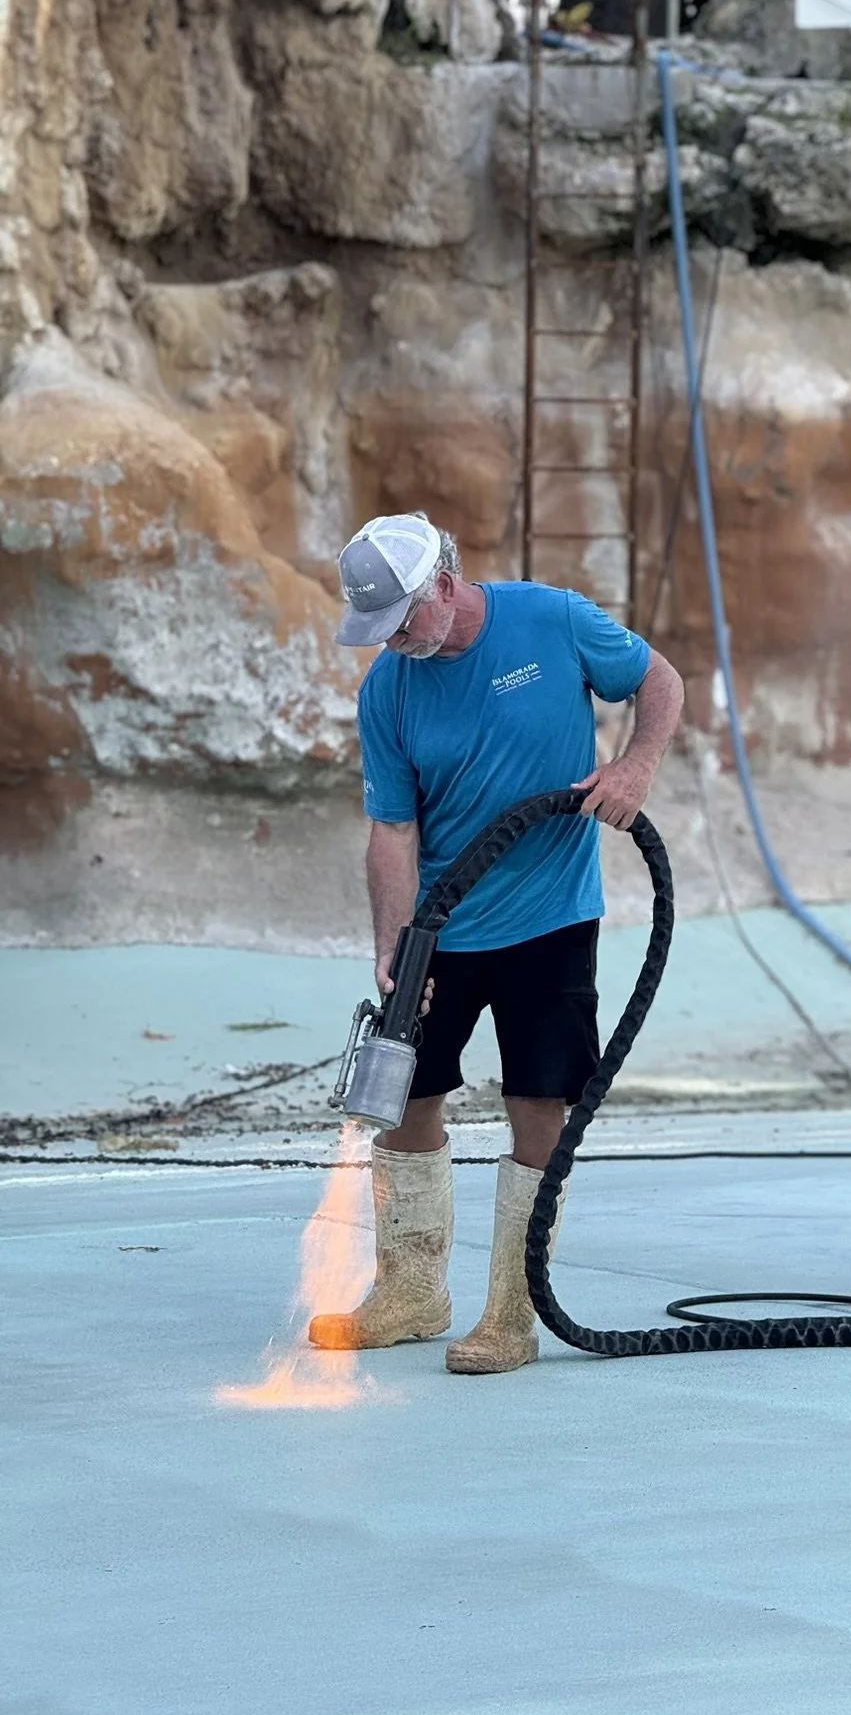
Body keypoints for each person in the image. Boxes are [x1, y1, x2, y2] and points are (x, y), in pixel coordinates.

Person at [309, 512, 684, 1374]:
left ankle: (512, 1312)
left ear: (443, 583)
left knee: (539, 1104)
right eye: (380, 631)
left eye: (403, 621)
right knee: (405, 1100)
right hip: (444, 925)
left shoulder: (551, 620)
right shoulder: (389, 691)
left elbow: (656, 678)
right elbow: (392, 830)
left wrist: (634, 768)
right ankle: (410, 1293)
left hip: (550, 919)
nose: (394, 642)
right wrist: (395, 947)